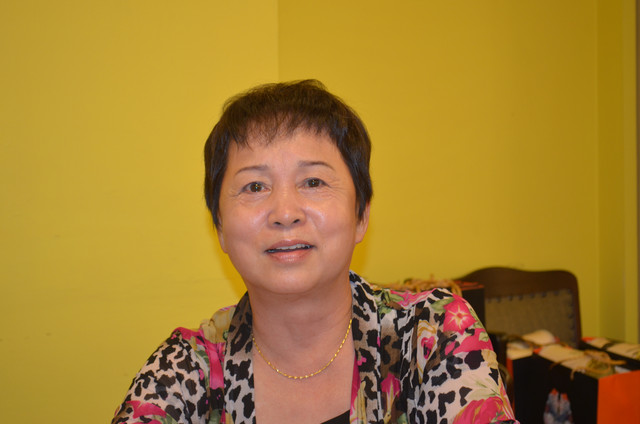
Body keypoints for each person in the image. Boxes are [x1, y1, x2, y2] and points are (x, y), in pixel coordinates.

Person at [112, 80, 517, 424]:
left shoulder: (431, 336)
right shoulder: (187, 370)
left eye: (313, 182)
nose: (285, 213)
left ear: (361, 215)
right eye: (255, 186)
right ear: (219, 226)